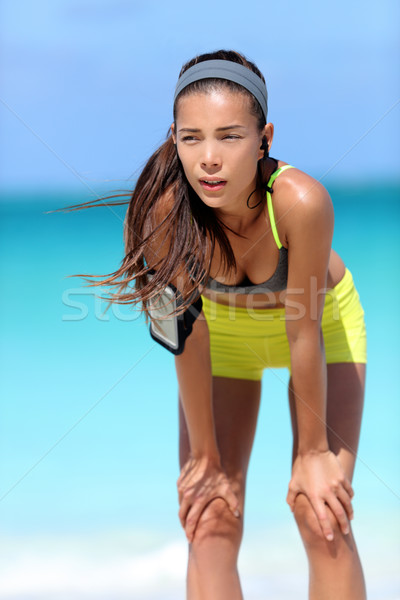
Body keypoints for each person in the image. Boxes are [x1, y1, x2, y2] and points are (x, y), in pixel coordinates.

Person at [70, 49, 367, 599]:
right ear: (175, 138)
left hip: (322, 332)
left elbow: (303, 329)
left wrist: (310, 457)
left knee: (320, 509)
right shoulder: (163, 213)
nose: (209, 158)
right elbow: (182, 333)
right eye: (192, 137)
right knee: (211, 515)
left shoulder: (301, 202)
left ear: (264, 138)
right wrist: (205, 458)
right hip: (222, 340)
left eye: (230, 136)